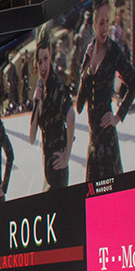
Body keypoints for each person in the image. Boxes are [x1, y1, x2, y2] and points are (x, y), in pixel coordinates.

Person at [75, 0, 135, 182]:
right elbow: (79, 105)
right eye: (101, 23)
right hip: (93, 142)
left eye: (107, 21)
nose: (105, 28)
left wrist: (118, 116)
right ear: (94, 24)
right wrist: (84, 68)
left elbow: (134, 82)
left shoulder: (113, 52)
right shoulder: (89, 52)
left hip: (108, 142)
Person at [29, 26, 76, 190]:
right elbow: (31, 137)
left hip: (58, 170)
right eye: (39, 61)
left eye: (46, 59)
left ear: (51, 56)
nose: (42, 66)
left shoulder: (55, 85)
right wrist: (36, 102)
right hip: (48, 171)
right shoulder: (44, 88)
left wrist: (67, 155)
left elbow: (71, 114)